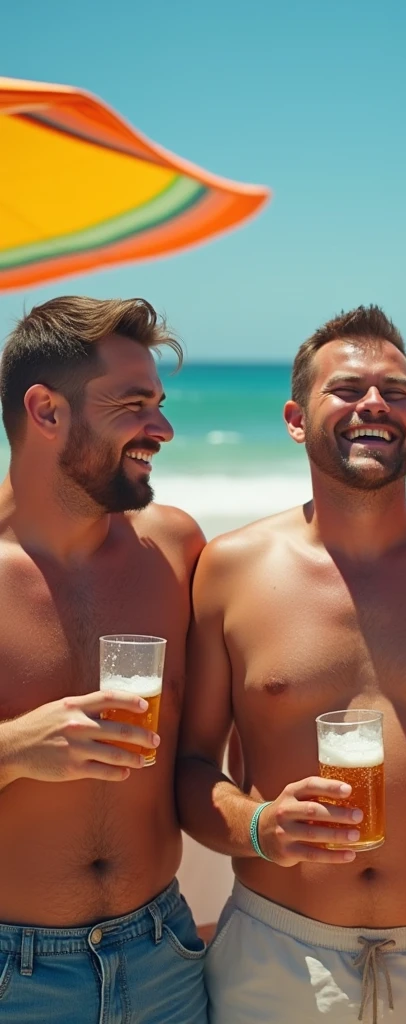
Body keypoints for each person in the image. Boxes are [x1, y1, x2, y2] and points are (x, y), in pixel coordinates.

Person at [177, 305, 406, 1024]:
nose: (375, 403)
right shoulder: (231, 569)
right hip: (279, 958)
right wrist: (258, 825)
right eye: (347, 389)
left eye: (397, 392)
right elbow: (188, 770)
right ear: (295, 419)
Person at [0, 297, 207, 1023]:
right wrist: (15, 748)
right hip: (11, 974)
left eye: (159, 403)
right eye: (134, 405)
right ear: (46, 411)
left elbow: (205, 748)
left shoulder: (177, 550)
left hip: (164, 952)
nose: (163, 429)